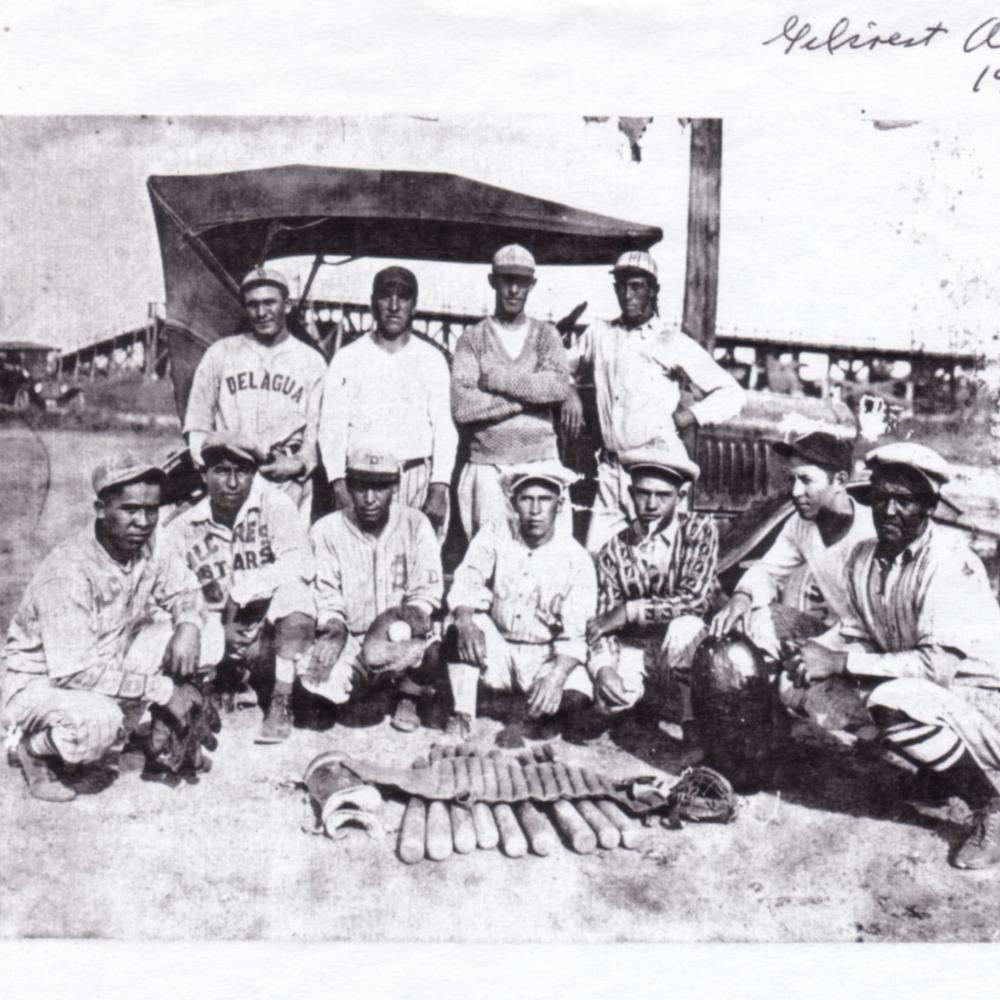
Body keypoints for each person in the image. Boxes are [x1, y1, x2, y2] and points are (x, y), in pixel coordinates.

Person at [786, 442, 1000, 869]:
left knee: (893, 701)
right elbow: (860, 632)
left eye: (905, 500)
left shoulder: (950, 564)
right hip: (938, 700)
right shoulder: (864, 557)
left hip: (985, 702)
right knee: (805, 689)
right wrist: (817, 654)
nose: (889, 511)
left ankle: (990, 806)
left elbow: (936, 668)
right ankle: (939, 775)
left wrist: (841, 663)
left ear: (929, 506)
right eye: (881, 497)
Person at [1, 453, 218, 801]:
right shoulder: (68, 570)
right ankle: (33, 749)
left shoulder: (149, 542)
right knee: (99, 722)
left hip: (103, 660)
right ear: (101, 508)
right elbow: (75, 673)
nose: (143, 521)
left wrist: (189, 625)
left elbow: (187, 589)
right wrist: (164, 690)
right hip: (40, 684)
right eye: (130, 509)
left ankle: (141, 736)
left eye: (152, 509)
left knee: (207, 635)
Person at [563, 251, 745, 554]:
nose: (628, 295)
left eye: (636, 287)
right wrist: (569, 393)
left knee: (656, 562)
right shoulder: (600, 333)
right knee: (597, 558)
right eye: (621, 287)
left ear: (653, 291)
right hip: (611, 469)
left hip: (655, 470)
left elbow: (732, 393)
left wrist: (688, 417)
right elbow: (560, 368)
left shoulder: (670, 340)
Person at [161, 432, 316, 744]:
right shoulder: (183, 526)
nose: (232, 483)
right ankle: (204, 690)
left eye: (242, 472)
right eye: (221, 471)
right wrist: (219, 628)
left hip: (265, 629)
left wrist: (242, 591)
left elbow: (301, 562)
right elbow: (171, 592)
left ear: (253, 474)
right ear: (203, 474)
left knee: (297, 595)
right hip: (215, 631)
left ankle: (281, 700)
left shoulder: (275, 505)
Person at [444, 462, 597, 741]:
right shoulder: (495, 534)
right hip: (498, 648)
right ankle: (463, 713)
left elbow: (576, 635)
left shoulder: (576, 558)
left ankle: (527, 714)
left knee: (577, 696)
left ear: (560, 505)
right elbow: (467, 579)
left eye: (545, 500)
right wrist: (466, 622)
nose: (535, 510)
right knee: (458, 626)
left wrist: (555, 678)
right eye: (527, 499)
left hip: (545, 655)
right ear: (513, 503)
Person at [304, 446, 444, 732]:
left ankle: (409, 695)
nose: (370, 499)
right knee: (318, 682)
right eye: (361, 487)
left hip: (402, 633)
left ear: (395, 486)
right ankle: (364, 688)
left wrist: (398, 627)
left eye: (380, 488)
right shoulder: (326, 529)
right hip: (352, 637)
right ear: (349, 486)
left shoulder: (416, 524)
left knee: (437, 648)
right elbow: (326, 594)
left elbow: (426, 593)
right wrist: (334, 628)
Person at [710, 430, 874, 663]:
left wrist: (818, 651)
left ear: (840, 481)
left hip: (866, 648)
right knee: (758, 620)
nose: (796, 492)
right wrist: (742, 595)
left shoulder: (870, 532)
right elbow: (768, 570)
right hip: (834, 635)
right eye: (792, 480)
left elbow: (873, 629)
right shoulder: (800, 524)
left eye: (806, 480)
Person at [317, 266, 457, 538]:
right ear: (372, 303)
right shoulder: (348, 357)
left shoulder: (431, 359)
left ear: (414, 306)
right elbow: (331, 427)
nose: (394, 306)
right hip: (362, 481)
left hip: (415, 477)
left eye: (403, 297)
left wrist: (440, 486)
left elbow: (444, 427)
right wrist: (338, 483)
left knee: (412, 569)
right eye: (385, 296)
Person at [586, 445, 718, 732]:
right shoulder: (614, 550)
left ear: (680, 497)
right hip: (636, 647)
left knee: (685, 627)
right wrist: (604, 667)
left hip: (683, 647)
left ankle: (691, 722)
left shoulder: (699, 530)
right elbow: (602, 622)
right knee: (609, 703)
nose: (651, 504)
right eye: (643, 493)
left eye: (663, 495)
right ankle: (654, 698)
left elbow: (695, 599)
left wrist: (631, 611)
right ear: (631, 494)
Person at [183, 267, 328, 517]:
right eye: (253, 305)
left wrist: (298, 465)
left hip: (286, 478)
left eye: (269, 303)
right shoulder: (221, 353)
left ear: (287, 305)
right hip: (231, 476)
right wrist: (209, 468)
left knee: (286, 551)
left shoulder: (311, 361)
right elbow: (197, 423)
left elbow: (316, 433)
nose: (261, 313)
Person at [451, 244, 573, 539]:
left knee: (546, 557)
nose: (514, 290)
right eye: (507, 280)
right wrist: (530, 400)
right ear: (493, 281)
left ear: (532, 284)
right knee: (490, 560)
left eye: (522, 282)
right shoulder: (472, 339)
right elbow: (464, 406)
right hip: (488, 467)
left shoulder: (546, 334)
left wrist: (494, 379)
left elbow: (557, 387)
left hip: (540, 464)